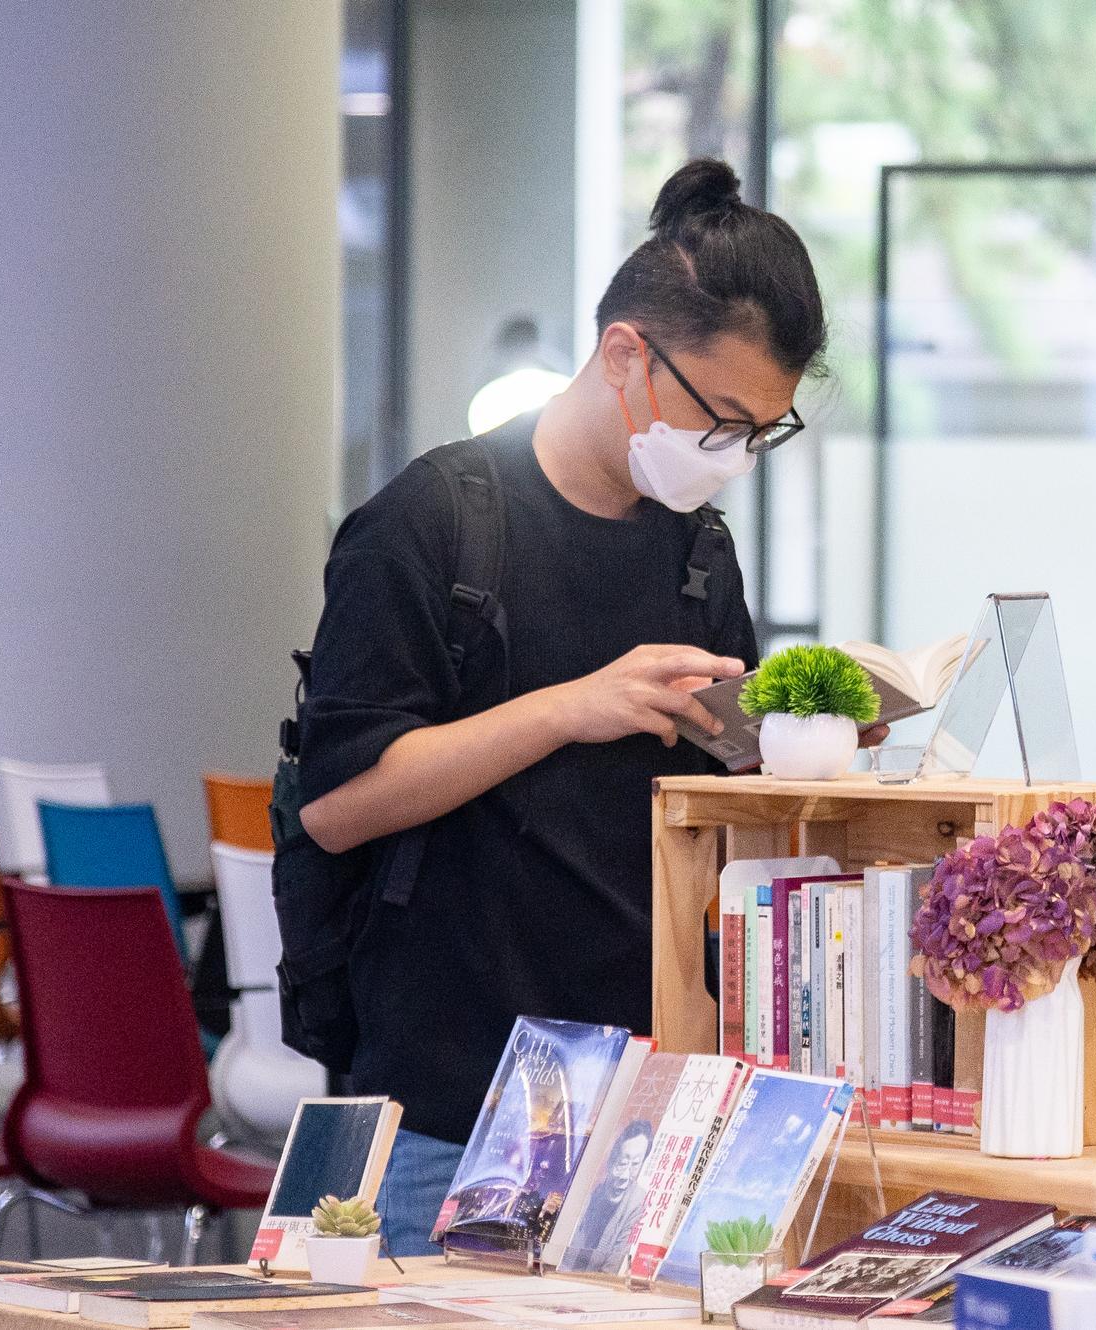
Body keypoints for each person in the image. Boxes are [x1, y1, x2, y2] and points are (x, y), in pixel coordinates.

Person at [297, 159, 871, 1254]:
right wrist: (570, 707)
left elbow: (715, 809)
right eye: (725, 419)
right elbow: (337, 804)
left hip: (645, 1113)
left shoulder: (696, 551)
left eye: (763, 433)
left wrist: (809, 748)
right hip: (447, 1112)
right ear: (626, 356)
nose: (735, 457)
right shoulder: (430, 523)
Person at [561, 1119, 655, 1269]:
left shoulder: (639, 1204)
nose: (624, 1176)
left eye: (635, 1164)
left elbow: (612, 1268)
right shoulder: (590, 1189)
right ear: (612, 1159)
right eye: (622, 1163)